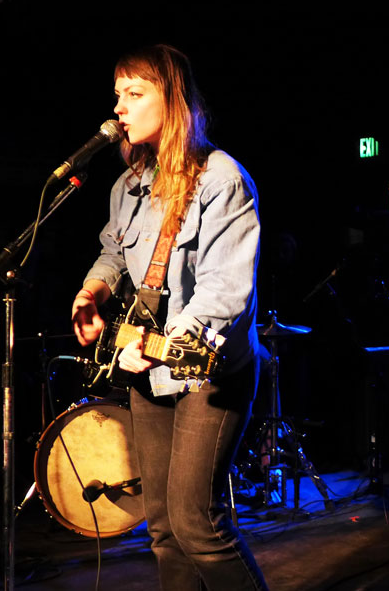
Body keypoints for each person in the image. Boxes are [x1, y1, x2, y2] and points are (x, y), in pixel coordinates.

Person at [70, 44, 268, 590]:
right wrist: (90, 293)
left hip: (208, 370)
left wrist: (171, 339)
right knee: (161, 528)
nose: (119, 108)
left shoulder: (222, 179)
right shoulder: (128, 184)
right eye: (118, 95)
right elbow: (114, 253)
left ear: (173, 100)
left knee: (196, 523)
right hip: (148, 370)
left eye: (135, 94)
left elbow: (225, 289)